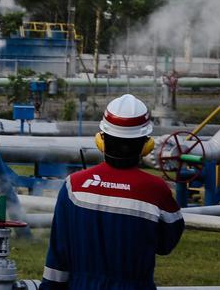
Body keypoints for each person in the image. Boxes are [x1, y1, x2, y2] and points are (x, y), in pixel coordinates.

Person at [42, 94, 184, 289]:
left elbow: (57, 258)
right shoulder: (155, 190)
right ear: (145, 145)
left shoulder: (73, 186)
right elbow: (166, 243)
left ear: (101, 140)